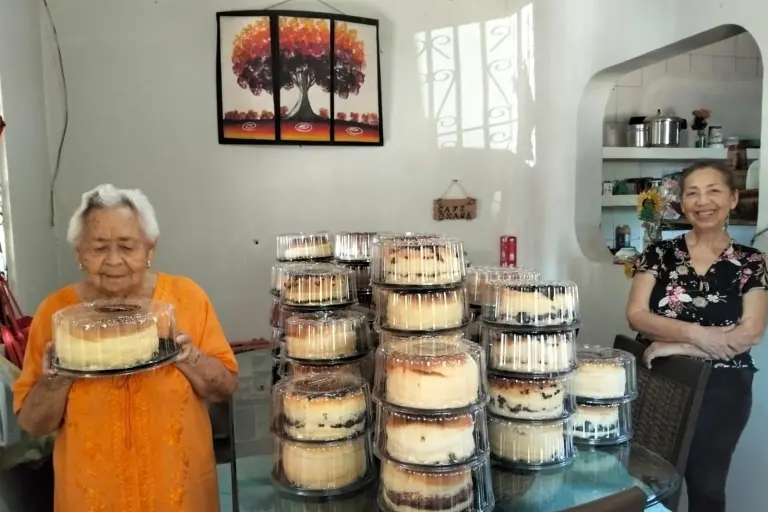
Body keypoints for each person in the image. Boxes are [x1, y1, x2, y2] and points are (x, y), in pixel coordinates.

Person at [13, 184, 239, 511]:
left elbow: (226, 387)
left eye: (127, 246)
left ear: (151, 248)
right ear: (79, 253)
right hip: (91, 497)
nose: (114, 260)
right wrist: (57, 377)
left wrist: (190, 357)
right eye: (99, 247)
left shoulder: (185, 298)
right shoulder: (56, 314)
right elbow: (33, 424)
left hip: (179, 494)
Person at [626, 161, 768, 512]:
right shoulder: (660, 253)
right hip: (660, 382)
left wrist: (677, 344)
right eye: (693, 192)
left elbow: (751, 332)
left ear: (733, 199)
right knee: (649, 485)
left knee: (706, 487)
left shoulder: (752, 261)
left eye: (714, 190)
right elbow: (636, 316)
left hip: (722, 388)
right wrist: (701, 333)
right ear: (682, 202)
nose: (703, 201)